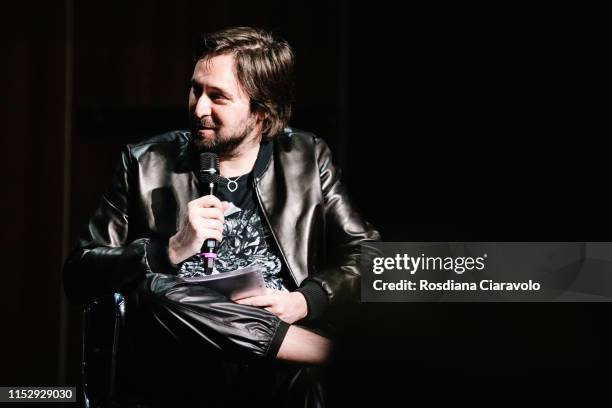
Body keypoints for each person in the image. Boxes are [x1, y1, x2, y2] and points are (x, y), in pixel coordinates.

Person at [63, 26, 380, 407]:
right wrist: (169, 250)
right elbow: (78, 274)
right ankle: (317, 349)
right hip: (181, 368)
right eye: (196, 89)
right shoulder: (145, 163)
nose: (199, 108)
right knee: (153, 289)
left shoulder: (307, 157)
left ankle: (294, 346)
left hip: (281, 382)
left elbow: (368, 256)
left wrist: (306, 300)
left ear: (261, 111)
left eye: (218, 97)